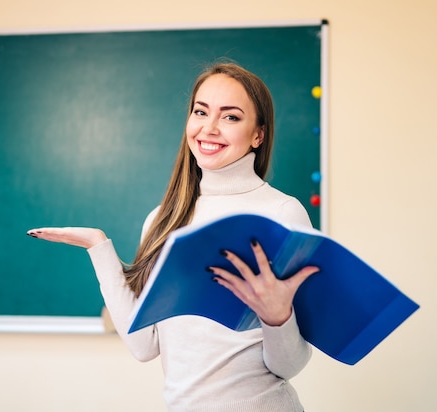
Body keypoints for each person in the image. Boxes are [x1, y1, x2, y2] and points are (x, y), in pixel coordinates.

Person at [27, 62, 319, 411]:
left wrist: (277, 317)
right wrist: (99, 248)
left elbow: (290, 365)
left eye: (230, 117)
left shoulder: (282, 214)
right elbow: (143, 345)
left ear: (258, 134)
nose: (208, 128)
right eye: (200, 112)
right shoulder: (163, 218)